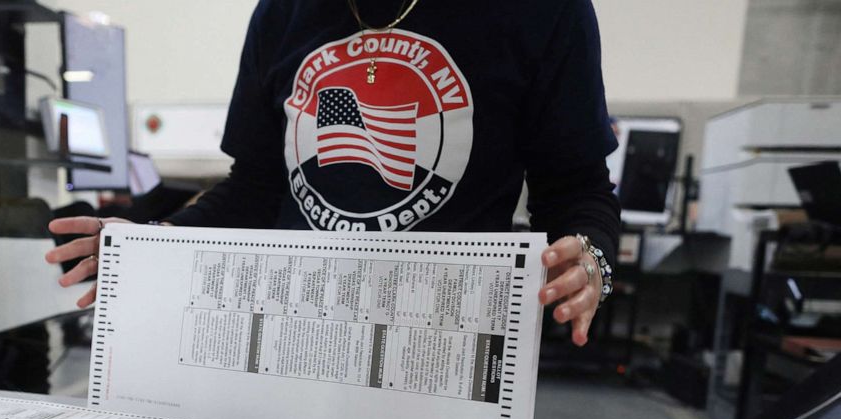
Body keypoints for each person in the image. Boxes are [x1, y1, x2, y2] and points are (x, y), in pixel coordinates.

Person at [46, 0, 620, 348]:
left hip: (448, 339)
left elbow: (576, 187)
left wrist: (589, 258)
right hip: (295, 331)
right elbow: (257, 187)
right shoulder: (282, 12)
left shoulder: (543, 9)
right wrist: (163, 240)